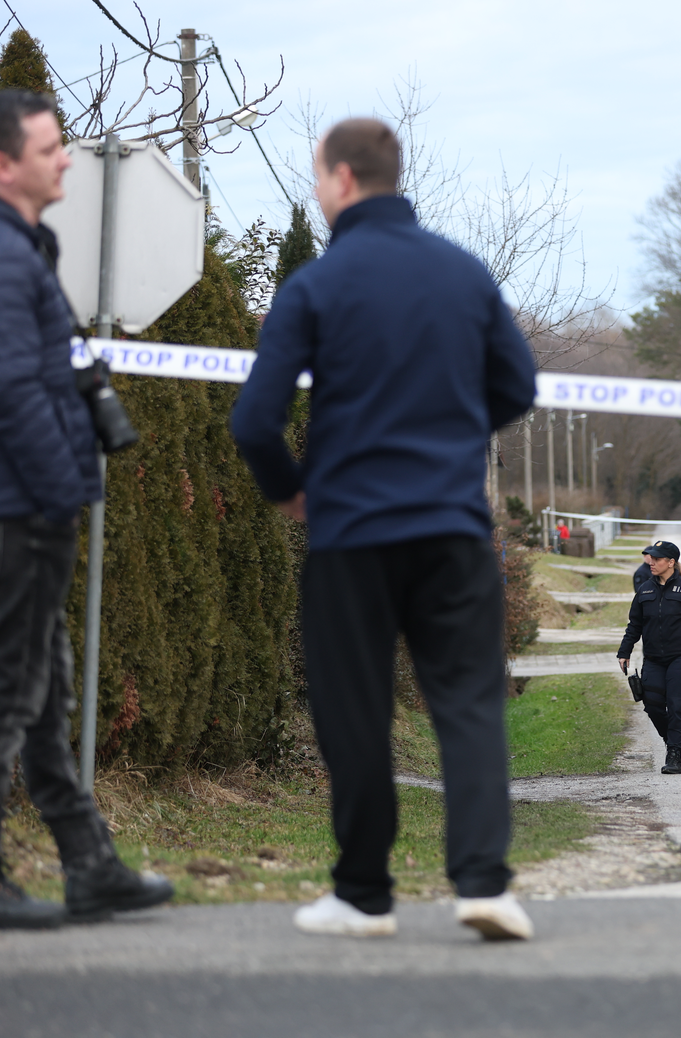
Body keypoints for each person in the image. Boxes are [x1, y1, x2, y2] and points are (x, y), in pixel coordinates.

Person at [230, 118, 538, 941]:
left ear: (340, 179)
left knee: (354, 710)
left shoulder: (315, 286)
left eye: (317, 178)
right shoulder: (462, 272)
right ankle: (484, 884)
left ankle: (364, 894)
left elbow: (255, 420)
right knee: (468, 703)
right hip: (451, 527)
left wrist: (291, 492)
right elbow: (517, 383)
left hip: (351, 532)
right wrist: (455, 434)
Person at [0, 90, 173, 929]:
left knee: (44, 686)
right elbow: (7, 392)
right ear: (3, 165)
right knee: (11, 688)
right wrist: (61, 490)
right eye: (48, 148)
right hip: (13, 506)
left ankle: (89, 867)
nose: (66, 158)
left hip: (17, 500)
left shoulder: (15, 246)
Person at [617, 541, 681, 774]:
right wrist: (624, 651)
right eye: (651, 558)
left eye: (657, 559)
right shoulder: (645, 590)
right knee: (652, 705)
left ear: (671, 562)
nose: (651, 562)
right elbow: (635, 624)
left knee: (676, 705)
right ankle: (672, 738)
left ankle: (674, 754)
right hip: (653, 659)